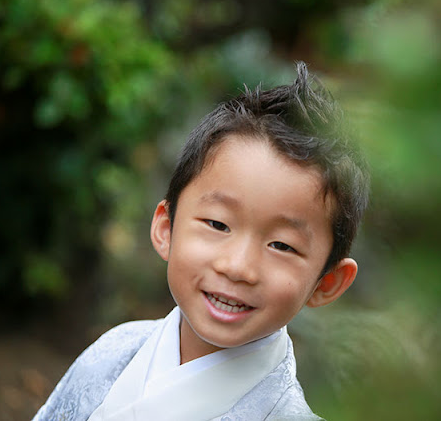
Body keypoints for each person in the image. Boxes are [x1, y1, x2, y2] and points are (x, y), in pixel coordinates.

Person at [34, 62, 370, 420]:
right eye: (217, 223)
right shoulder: (113, 353)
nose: (238, 267)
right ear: (167, 227)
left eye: (282, 245)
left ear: (327, 283)